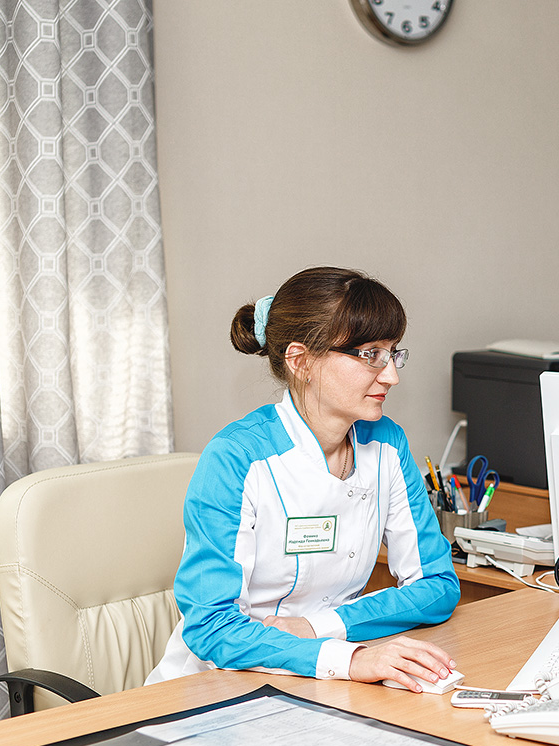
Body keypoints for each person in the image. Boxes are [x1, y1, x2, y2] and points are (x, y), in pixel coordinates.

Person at [146, 267, 460, 692]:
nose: (391, 376)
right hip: (213, 685)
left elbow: (438, 586)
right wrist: (349, 659)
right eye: (371, 354)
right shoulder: (237, 458)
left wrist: (320, 627)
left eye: (392, 353)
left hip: (323, 680)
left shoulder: (387, 444)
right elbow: (212, 627)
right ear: (301, 361)